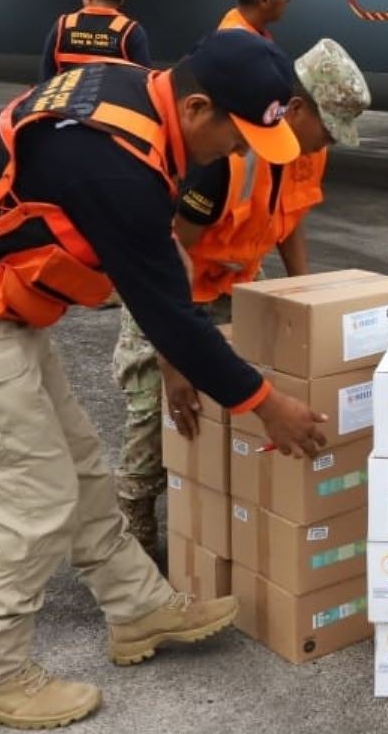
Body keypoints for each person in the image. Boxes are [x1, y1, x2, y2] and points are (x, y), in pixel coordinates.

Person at [0, 32, 327, 730]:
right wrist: (267, 406)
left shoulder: (136, 93)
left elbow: (161, 268)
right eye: (236, 140)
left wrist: (193, 361)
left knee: (80, 469)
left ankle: (139, 609)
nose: (236, 157)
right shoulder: (111, 164)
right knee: (32, 505)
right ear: (198, 107)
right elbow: (169, 313)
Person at [112, 38, 371, 558]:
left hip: (230, 295)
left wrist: (309, 299)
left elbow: (289, 223)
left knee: (229, 411)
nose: (328, 146)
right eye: (327, 132)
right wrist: (173, 362)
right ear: (294, 109)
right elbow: (161, 264)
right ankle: (128, 544)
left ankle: (219, 527)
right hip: (166, 300)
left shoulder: (297, 155)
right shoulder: (224, 160)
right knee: (158, 420)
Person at [39, 0, 150, 81]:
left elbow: (46, 77)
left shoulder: (64, 25)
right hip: (110, 99)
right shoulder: (130, 30)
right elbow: (144, 81)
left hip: (68, 98)